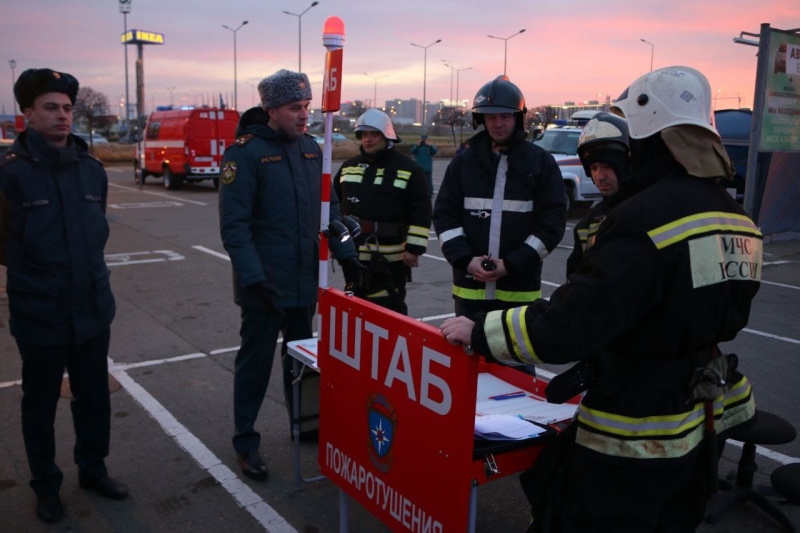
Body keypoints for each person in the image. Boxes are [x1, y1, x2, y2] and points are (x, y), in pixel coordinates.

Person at [440, 66, 760, 532]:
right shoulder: (735, 216)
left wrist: (481, 332)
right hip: (702, 422)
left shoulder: (641, 220)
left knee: (566, 505)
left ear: (646, 141)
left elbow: (573, 324)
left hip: (633, 427)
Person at [218, 69, 363, 481]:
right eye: (295, 108)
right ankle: (246, 442)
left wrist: (347, 255)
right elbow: (235, 227)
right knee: (255, 362)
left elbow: (328, 212)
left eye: (307, 107)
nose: (304, 115)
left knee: (300, 360)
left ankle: (304, 423)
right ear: (271, 110)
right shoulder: (243, 155)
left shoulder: (312, 149)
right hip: (264, 287)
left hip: (303, 281)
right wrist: (253, 279)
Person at [0, 68, 128, 523]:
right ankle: (45, 485)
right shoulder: (10, 175)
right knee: (39, 404)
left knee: (94, 396)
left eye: (67, 108)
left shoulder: (92, 171)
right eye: (50, 108)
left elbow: (96, 235)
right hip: (40, 312)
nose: (62, 116)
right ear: (28, 114)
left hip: (92, 307)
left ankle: (92, 469)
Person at [433, 75, 566, 321]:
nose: (498, 123)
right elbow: (444, 216)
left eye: (505, 116)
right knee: (468, 358)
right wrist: (465, 260)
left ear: (518, 117)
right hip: (470, 291)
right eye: (491, 117)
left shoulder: (540, 163)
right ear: (480, 119)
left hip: (518, 292)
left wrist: (512, 264)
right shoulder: (463, 163)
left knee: (513, 360)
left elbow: (552, 224)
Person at [334, 109, 431, 315]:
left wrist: (414, 247)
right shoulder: (348, 167)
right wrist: (333, 243)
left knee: (388, 308)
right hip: (354, 253)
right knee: (354, 306)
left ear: (387, 135)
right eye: (364, 134)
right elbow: (334, 207)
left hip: (392, 256)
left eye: (373, 134)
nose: (367, 139)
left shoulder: (408, 169)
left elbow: (420, 209)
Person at [565, 112, 631, 277]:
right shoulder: (585, 226)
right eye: (593, 168)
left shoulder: (646, 211)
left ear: (626, 164)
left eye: (607, 166)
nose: (599, 176)